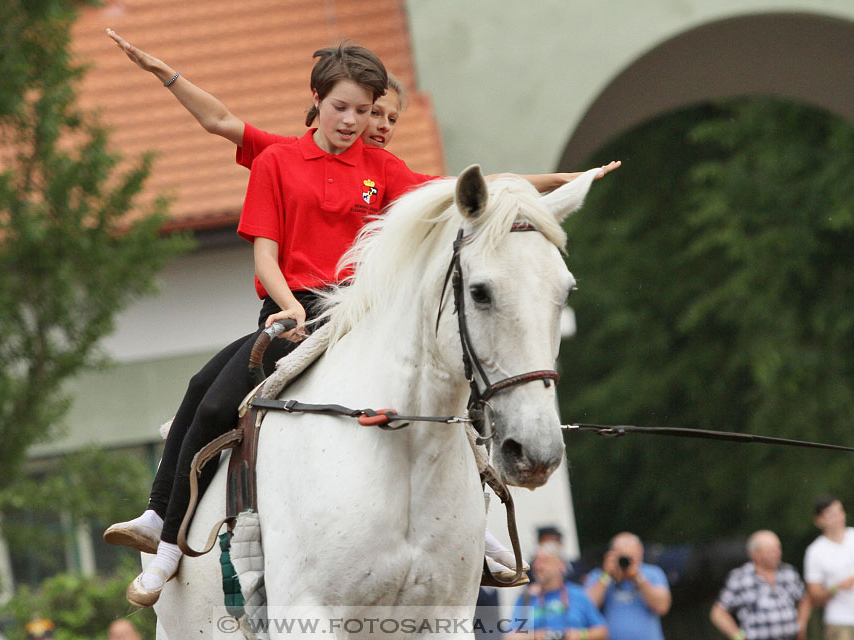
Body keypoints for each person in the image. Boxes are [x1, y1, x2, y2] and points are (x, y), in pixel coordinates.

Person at [103, 34, 620, 606]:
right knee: (208, 392)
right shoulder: (278, 158)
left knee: (447, 391)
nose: (355, 120)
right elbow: (263, 248)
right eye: (342, 107)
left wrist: (566, 181)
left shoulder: (383, 168)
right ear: (318, 101)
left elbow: (476, 188)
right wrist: (290, 307)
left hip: (364, 315)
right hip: (296, 314)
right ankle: (165, 531)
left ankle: (474, 525)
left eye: (367, 111)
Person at [710, 530, 810, 640]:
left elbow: (804, 599)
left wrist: (801, 626)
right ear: (755, 554)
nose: (776, 553)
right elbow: (718, 613)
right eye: (770, 551)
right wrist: (738, 636)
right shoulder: (740, 578)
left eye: (777, 548)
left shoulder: (789, 572)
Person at [506, 541, 608, 640]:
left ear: (561, 565)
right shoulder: (526, 598)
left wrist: (580, 635)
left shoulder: (578, 595)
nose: (538, 567)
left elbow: (602, 631)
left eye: (544, 561)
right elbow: (510, 636)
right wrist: (536, 636)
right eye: (536, 562)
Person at [584, 532, 671, 640]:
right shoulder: (599, 576)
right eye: (621, 556)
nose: (625, 562)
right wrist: (606, 576)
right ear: (611, 555)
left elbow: (662, 607)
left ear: (640, 552)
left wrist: (637, 577)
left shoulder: (653, 573)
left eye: (630, 556)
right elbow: (585, 608)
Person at [804, 496, 854, 638]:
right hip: (840, 621)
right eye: (832, 514)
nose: (839, 517)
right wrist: (836, 587)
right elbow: (814, 597)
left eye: (840, 512)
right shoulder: (815, 551)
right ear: (819, 521)